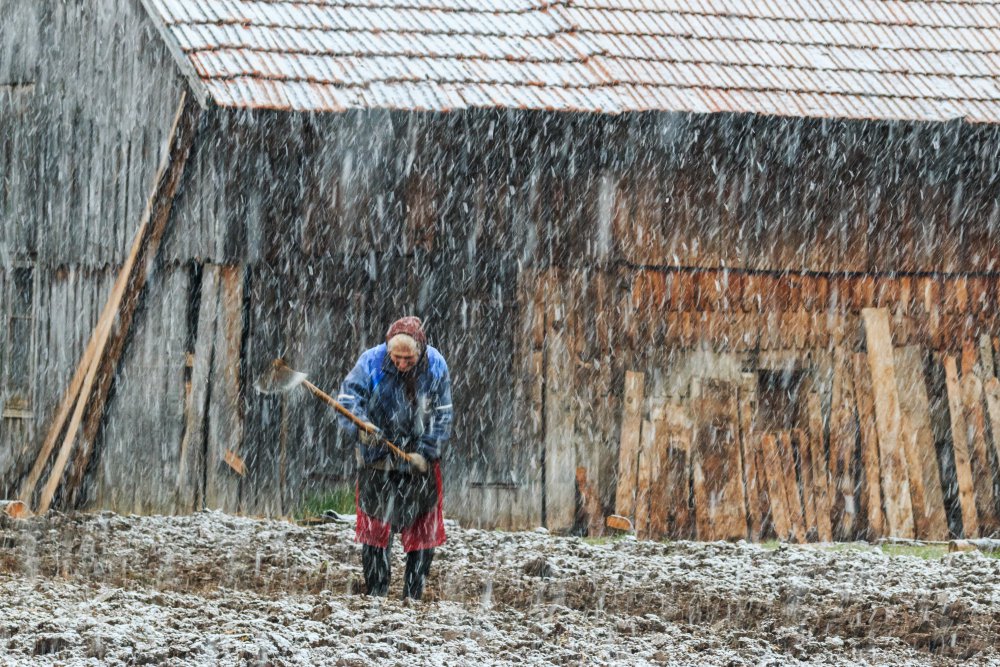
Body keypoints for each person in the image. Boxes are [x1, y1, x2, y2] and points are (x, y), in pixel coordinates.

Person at [337, 316, 452, 600]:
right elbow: (348, 402)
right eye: (396, 357)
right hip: (377, 459)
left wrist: (426, 451)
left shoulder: (436, 365)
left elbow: (443, 413)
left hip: (418, 461)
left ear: (421, 351)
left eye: (408, 359)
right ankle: (376, 591)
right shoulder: (370, 362)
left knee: (423, 530)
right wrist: (363, 428)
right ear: (388, 350)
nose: (401, 364)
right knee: (375, 530)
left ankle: (414, 594)